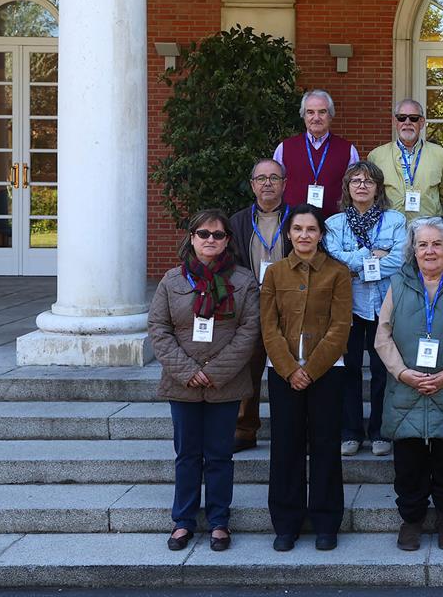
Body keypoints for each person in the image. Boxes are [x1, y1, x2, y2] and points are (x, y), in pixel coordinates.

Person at [148, 209, 260, 553]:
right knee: (187, 455)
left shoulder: (243, 281)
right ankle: (182, 521)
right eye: (204, 234)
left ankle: (218, 521)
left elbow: (249, 331)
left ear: (228, 240)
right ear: (192, 238)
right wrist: (187, 370)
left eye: (218, 234)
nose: (210, 240)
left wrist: (214, 372)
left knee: (219, 455)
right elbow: (159, 329)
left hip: (224, 383)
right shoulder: (172, 281)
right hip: (182, 384)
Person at [375, 217, 443, 552]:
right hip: (406, 389)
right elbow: (383, 336)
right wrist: (403, 373)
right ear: (413, 250)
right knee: (409, 467)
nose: (430, 250)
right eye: (423, 244)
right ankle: (412, 520)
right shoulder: (399, 282)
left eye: (437, 243)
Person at [260, 203, 353, 552]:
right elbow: (268, 326)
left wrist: (311, 369)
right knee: (286, 447)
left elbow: (341, 326)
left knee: (326, 445)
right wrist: (289, 369)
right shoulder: (275, 273)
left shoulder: (337, 272)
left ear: (320, 234)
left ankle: (326, 522)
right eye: (298, 229)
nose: (304, 235)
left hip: (327, 372)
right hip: (283, 372)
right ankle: (286, 523)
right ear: (288, 233)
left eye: (311, 229)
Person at [323, 161, 407, 458]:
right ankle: (351, 432)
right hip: (350, 305)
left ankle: (381, 431)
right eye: (356, 180)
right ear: (347, 187)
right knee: (350, 370)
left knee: (384, 370)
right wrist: (371, 254)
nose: (362, 185)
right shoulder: (334, 224)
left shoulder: (395, 221)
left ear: (378, 188)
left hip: (384, 305)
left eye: (368, 181)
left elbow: (398, 261)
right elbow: (335, 262)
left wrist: (354, 263)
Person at [228, 158, 292, 453]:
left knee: (290, 369)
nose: (268, 183)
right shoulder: (238, 221)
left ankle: (290, 430)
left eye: (274, 178)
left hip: (289, 307)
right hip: (251, 306)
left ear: (284, 184)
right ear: (252, 185)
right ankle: (244, 429)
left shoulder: (297, 218)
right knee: (248, 370)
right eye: (262, 178)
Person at [273, 89, 358, 214]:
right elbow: (275, 186)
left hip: (335, 225)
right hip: (294, 225)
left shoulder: (348, 150)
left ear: (330, 115)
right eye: (310, 112)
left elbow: (355, 189)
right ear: (303, 116)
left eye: (322, 112)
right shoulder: (284, 148)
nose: (316, 118)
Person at [368, 99, 443, 221]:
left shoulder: (440, 154)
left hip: (428, 228)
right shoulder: (376, 156)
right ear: (395, 122)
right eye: (401, 118)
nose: (407, 122)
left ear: (422, 122)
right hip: (389, 229)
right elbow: (371, 195)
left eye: (413, 118)